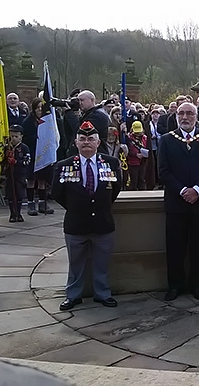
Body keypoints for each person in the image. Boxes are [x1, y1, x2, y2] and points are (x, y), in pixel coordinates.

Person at [52, 121, 122, 311]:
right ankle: (73, 296)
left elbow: (115, 189)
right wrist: (76, 208)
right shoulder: (63, 166)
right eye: (82, 139)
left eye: (91, 139)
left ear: (98, 142)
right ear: (76, 142)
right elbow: (57, 193)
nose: (86, 143)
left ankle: (103, 294)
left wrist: (101, 206)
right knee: (76, 265)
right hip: (76, 225)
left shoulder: (112, 163)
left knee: (102, 264)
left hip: (103, 223)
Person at [158, 102, 199, 301]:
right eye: (181, 113)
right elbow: (163, 172)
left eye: (189, 114)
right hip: (176, 204)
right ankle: (175, 285)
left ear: (197, 117)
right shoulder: (167, 140)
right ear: (176, 116)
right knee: (175, 247)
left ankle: (197, 285)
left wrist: (197, 190)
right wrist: (184, 190)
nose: (185, 117)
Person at [22, 98, 55, 216]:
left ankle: (42, 203)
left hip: (44, 154)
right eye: (38, 108)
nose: (40, 110)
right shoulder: (28, 121)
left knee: (42, 180)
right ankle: (31, 203)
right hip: (33, 153)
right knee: (31, 180)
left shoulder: (48, 120)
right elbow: (25, 137)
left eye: (42, 108)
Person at [4, 125, 30, 222]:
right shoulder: (7, 147)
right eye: (11, 136)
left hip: (20, 175)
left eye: (16, 136)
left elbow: (27, 161)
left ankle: (18, 213)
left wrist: (16, 162)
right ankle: (12, 214)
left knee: (19, 195)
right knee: (10, 195)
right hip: (9, 175)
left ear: (21, 136)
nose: (13, 139)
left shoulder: (24, 148)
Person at [126, 121, 148, 191]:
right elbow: (127, 151)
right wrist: (136, 155)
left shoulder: (145, 138)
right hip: (133, 162)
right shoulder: (129, 138)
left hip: (143, 162)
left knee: (142, 179)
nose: (138, 133)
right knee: (133, 180)